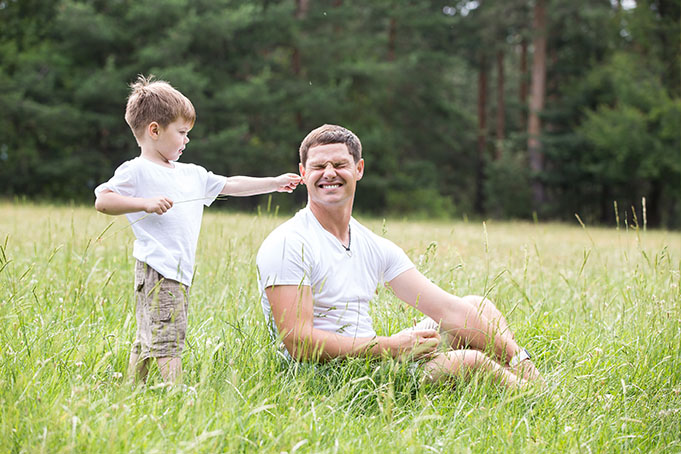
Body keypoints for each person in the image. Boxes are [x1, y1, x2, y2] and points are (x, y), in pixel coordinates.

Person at [256, 124, 541, 388]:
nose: (329, 173)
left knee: (478, 308)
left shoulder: (371, 244)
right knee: (472, 362)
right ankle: (539, 399)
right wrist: (391, 347)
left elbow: (448, 309)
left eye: (340, 164)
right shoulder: (288, 243)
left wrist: (520, 359)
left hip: (376, 358)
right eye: (318, 166)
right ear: (304, 174)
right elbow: (298, 342)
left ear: (359, 169)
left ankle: (530, 379)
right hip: (331, 377)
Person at [95, 75, 301, 384]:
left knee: (151, 334)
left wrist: (273, 183)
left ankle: (132, 389)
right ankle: (175, 395)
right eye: (181, 132)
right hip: (158, 269)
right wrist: (144, 203)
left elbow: (231, 184)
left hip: (178, 272)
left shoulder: (190, 174)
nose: (186, 140)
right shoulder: (137, 170)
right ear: (154, 130)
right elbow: (103, 200)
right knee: (168, 340)